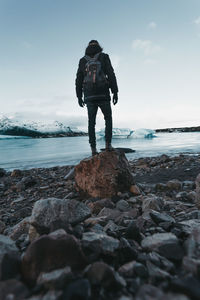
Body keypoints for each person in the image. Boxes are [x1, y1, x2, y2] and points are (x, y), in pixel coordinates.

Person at [75, 40, 118, 156]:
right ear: (99, 47)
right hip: (103, 94)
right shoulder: (104, 57)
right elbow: (111, 73)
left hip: (89, 96)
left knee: (91, 122)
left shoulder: (83, 60)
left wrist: (79, 96)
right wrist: (115, 92)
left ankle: (93, 149)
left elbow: (78, 79)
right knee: (108, 119)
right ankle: (108, 145)